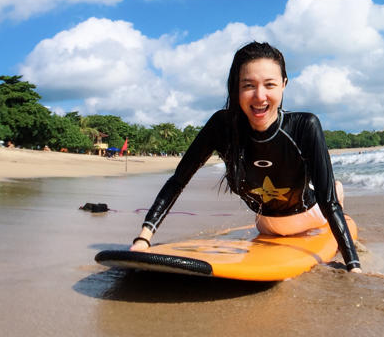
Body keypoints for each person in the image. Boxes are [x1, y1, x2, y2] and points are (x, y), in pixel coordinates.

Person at [129, 41, 362, 272]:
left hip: (310, 216)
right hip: (266, 225)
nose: (260, 96)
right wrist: (143, 239)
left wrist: (353, 265)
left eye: (269, 84)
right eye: (249, 85)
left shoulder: (304, 125)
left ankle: (341, 202)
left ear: (284, 84)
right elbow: (179, 180)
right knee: (320, 194)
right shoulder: (222, 126)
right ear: (236, 88)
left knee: (334, 191)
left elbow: (327, 199)